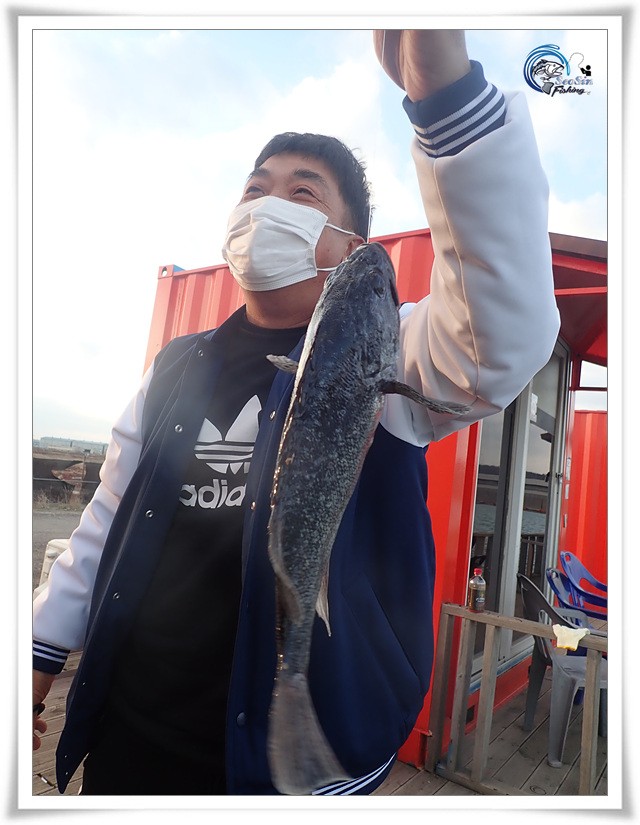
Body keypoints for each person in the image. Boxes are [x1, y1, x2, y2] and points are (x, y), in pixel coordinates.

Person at [32, 29, 560, 796]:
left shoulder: (395, 351)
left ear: (348, 244)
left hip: (281, 778)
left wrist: (446, 101)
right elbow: (104, 524)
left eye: (303, 193)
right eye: (256, 190)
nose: (269, 205)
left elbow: (502, 334)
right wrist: (38, 653)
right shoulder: (176, 366)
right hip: (128, 741)